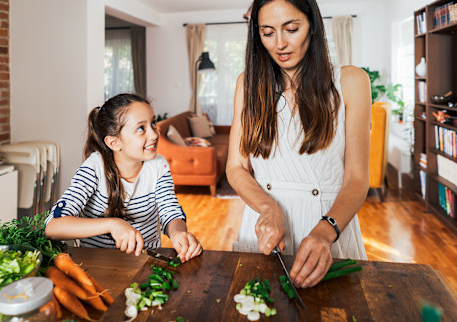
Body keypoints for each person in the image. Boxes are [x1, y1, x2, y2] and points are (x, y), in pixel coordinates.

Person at [227, 0, 371, 289]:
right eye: (267, 33)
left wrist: (326, 231)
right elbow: (236, 167)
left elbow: (356, 178)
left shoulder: (351, 81)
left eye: (291, 29)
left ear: (312, 26)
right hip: (263, 227)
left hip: (329, 227)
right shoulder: (248, 85)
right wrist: (268, 208)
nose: (280, 43)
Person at [45, 93, 202, 262]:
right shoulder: (95, 167)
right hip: (97, 265)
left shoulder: (158, 165)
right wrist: (112, 224)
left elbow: (170, 211)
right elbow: (53, 226)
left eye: (153, 123)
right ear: (114, 143)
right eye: (141, 128)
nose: (154, 134)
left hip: (145, 262)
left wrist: (178, 232)